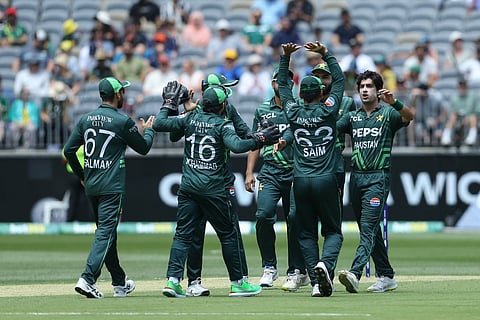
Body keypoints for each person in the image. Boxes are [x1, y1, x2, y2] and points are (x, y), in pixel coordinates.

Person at [153, 81, 280, 298]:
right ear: (222, 106)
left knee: (183, 235)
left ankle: (173, 281)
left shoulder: (189, 118)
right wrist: (261, 139)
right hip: (214, 189)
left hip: (189, 187)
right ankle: (238, 283)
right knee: (229, 234)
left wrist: (169, 103)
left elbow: (159, 124)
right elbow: (238, 146)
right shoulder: (223, 125)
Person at [64, 77, 155, 298]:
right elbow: (143, 148)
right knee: (105, 232)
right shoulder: (121, 121)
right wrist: (149, 130)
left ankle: (119, 282)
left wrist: (83, 174)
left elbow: (68, 150)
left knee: (107, 233)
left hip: (92, 185)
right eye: (122, 91)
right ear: (116, 95)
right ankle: (87, 279)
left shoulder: (85, 119)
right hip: (111, 186)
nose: (124, 94)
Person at [169, 73, 250, 297]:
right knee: (199, 233)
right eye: (223, 89)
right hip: (212, 184)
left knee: (228, 230)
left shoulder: (227, 110)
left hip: (219, 182)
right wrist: (187, 110)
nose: (228, 93)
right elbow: (175, 135)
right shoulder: (198, 111)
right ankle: (195, 281)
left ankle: (241, 277)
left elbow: (244, 134)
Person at [336, 70, 414, 293]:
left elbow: (409, 116)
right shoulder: (353, 117)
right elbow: (330, 130)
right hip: (356, 177)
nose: (364, 90)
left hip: (378, 177)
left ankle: (355, 273)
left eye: (369, 86)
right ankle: (387, 276)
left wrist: (395, 102)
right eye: (361, 86)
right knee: (369, 230)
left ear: (378, 91)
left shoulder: (388, 114)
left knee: (368, 227)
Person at [277, 42, 345, 297]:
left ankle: (317, 282)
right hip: (327, 178)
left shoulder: (293, 111)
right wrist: (326, 54)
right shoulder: (329, 110)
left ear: (301, 94)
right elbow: (339, 81)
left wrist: (285, 58)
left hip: (301, 180)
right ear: (320, 92)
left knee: (305, 232)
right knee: (333, 231)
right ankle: (324, 266)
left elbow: (283, 87)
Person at [244, 66, 309, 292]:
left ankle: (295, 270)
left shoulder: (299, 108)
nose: (283, 85)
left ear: (292, 85)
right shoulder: (263, 110)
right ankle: (269, 267)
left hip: (295, 172)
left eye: (288, 82)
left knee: (294, 219)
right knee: (263, 215)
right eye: (279, 81)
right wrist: (249, 172)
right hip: (270, 171)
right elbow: (255, 142)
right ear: (273, 84)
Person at [440, 78, 479, 146]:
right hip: (457, 119)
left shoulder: (474, 96)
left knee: (473, 117)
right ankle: (446, 137)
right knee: (452, 117)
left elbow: (478, 110)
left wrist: (468, 118)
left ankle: (471, 138)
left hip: (470, 118)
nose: (462, 87)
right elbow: (452, 110)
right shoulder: (454, 97)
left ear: (467, 86)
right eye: (461, 85)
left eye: (464, 85)